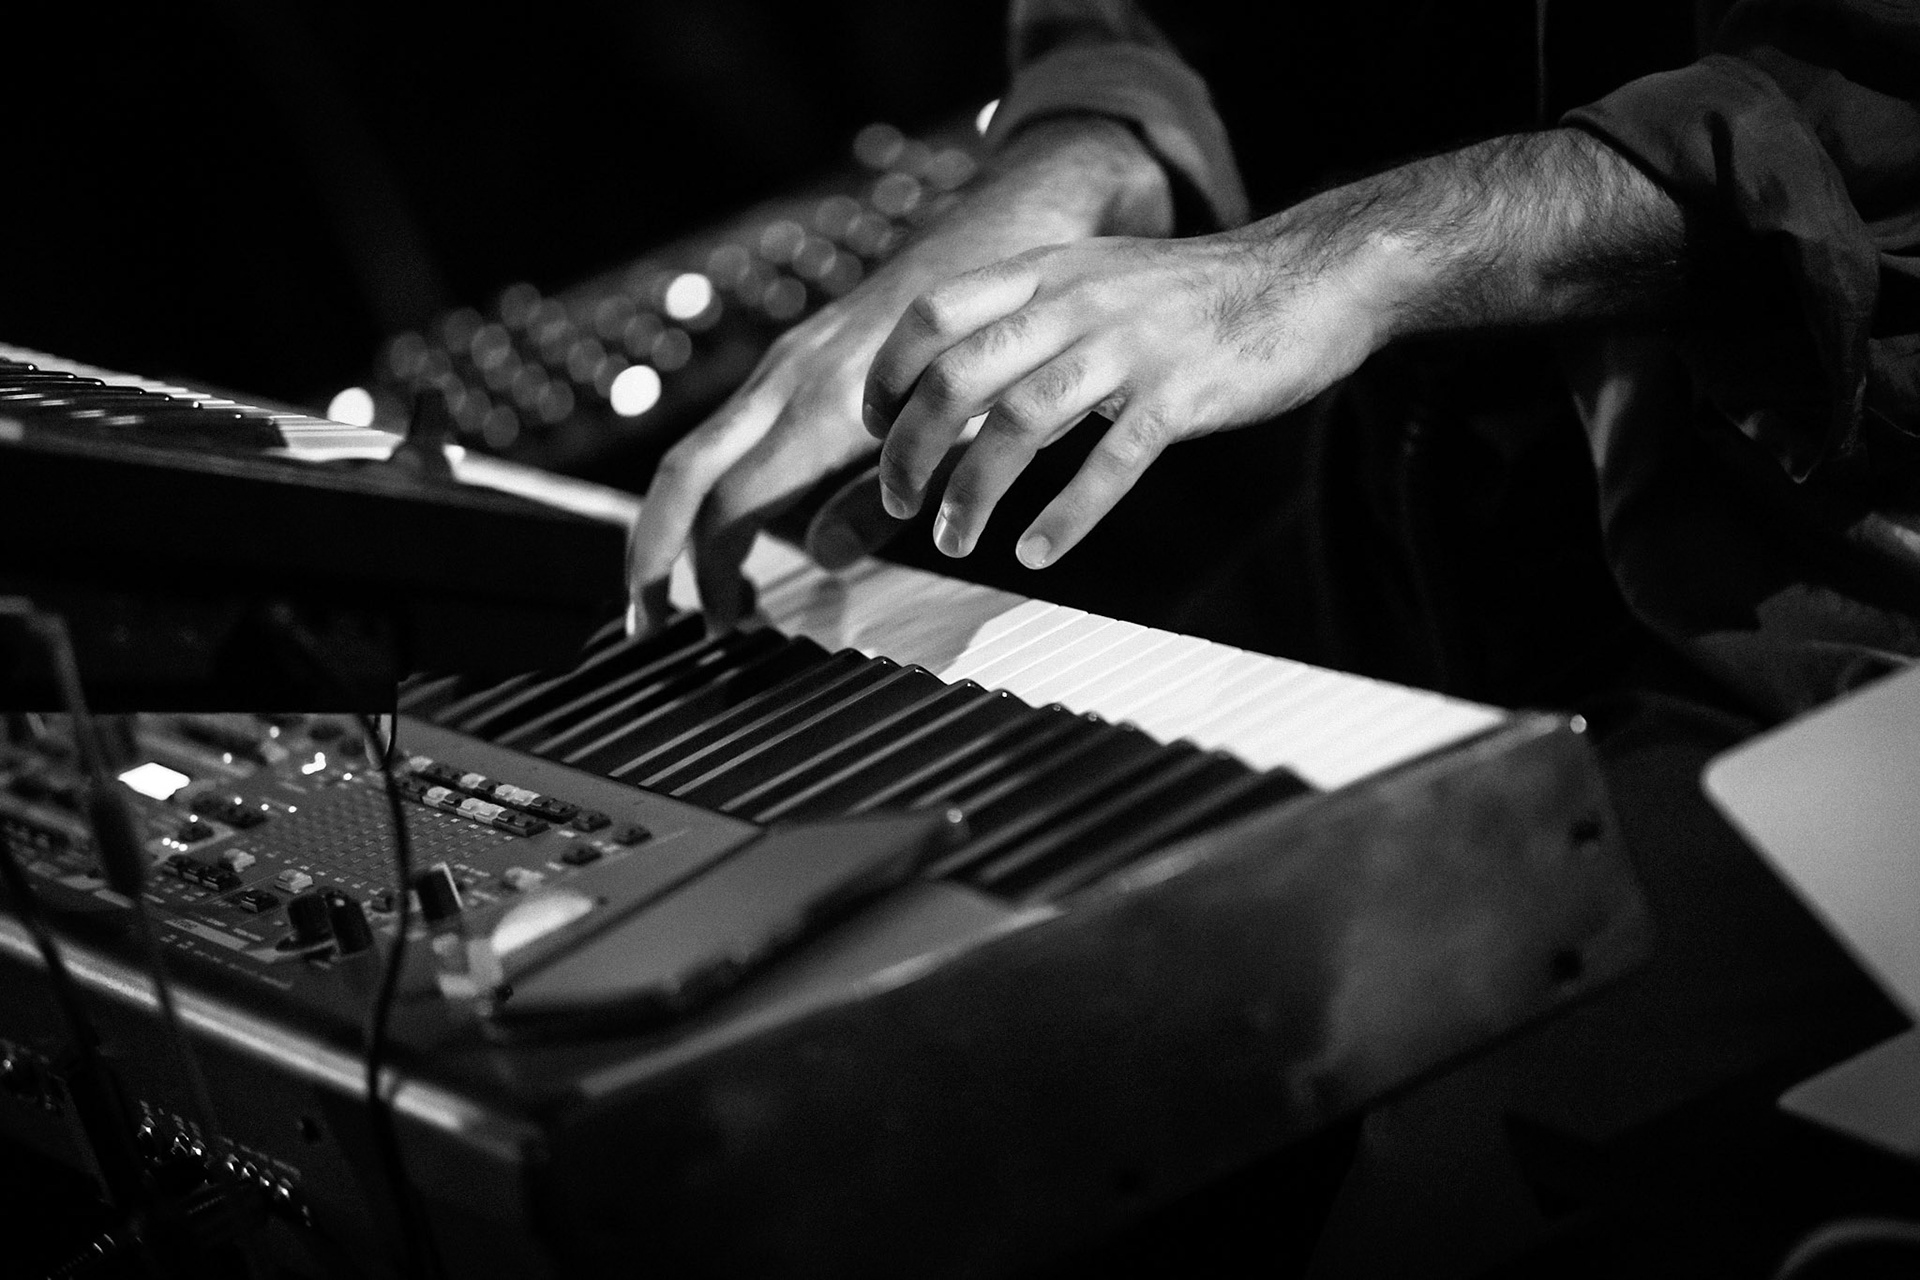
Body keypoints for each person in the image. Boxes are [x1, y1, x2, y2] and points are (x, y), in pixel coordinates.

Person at [627, 0, 1918, 1271]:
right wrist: (1080, 162)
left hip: (1825, 588)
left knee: (1447, 1171)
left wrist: (1354, 256)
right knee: (997, 963)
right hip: (1439, 503)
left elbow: (1855, 114)